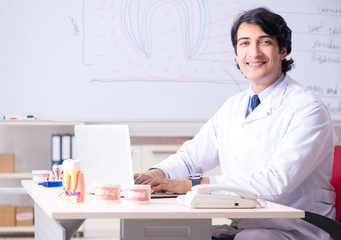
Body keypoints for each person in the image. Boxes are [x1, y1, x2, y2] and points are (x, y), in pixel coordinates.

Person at [134, 7, 338, 240]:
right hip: (248, 226)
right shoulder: (234, 106)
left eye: (264, 42)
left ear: (283, 51)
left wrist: (193, 185)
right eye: (244, 43)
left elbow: (275, 183)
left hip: (296, 229)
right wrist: (155, 174)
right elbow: (192, 157)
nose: (254, 52)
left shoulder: (308, 109)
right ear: (235, 55)